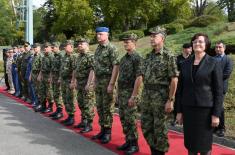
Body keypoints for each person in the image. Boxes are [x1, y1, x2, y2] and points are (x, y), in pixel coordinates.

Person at [176, 33, 223, 155]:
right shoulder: (185, 64)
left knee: (204, 146)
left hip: (205, 112)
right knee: (190, 145)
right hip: (188, 110)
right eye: (195, 41)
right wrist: (179, 111)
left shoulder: (213, 62)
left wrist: (216, 114)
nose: (197, 43)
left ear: (206, 45)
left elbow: (218, 91)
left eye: (200, 41)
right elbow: (180, 89)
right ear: (192, 45)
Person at [140, 26, 179, 155]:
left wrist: (171, 100)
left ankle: (159, 152)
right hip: (147, 95)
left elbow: (174, 79)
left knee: (160, 129)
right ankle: (154, 150)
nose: (151, 38)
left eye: (154, 36)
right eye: (150, 36)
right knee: (146, 126)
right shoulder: (148, 56)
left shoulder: (168, 56)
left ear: (162, 38)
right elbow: (143, 76)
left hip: (161, 96)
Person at [92, 27, 119, 144]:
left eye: (101, 34)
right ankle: (102, 129)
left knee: (108, 108)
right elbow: (95, 67)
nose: (98, 36)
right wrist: (94, 82)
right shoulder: (98, 49)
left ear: (107, 35)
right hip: (99, 82)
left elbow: (116, 66)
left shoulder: (112, 48)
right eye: (97, 34)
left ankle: (108, 132)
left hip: (108, 81)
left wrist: (111, 84)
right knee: (100, 107)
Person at [116, 33, 143, 155]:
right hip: (122, 92)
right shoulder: (124, 58)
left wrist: (134, 95)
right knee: (123, 118)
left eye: (128, 41)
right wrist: (117, 92)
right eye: (124, 42)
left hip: (131, 92)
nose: (125, 43)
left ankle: (134, 144)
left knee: (131, 119)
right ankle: (128, 140)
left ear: (134, 43)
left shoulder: (138, 57)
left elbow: (139, 77)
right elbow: (120, 76)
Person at [71, 38, 95, 133]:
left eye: (81, 44)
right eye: (78, 44)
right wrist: (75, 81)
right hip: (80, 83)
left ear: (87, 45)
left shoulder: (91, 56)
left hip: (86, 83)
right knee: (81, 103)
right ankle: (84, 121)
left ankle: (89, 124)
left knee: (88, 104)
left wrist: (89, 84)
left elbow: (93, 71)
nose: (79, 45)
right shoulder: (79, 57)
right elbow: (76, 70)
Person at [214, 40, 233, 137]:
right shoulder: (211, 59)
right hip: (211, 88)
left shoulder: (228, 60)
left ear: (224, 48)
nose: (217, 49)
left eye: (220, 47)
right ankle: (214, 127)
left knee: (219, 107)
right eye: (216, 47)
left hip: (221, 88)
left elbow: (226, 74)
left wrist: (213, 79)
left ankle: (221, 128)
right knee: (212, 106)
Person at [172, 43, 192, 126]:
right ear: (184, 49)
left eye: (191, 48)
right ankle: (175, 118)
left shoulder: (192, 58)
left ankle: (187, 119)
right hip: (179, 83)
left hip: (189, 83)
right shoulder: (177, 58)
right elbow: (174, 70)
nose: (190, 50)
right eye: (189, 48)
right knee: (177, 100)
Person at [59, 40, 77, 126]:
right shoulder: (64, 56)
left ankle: (72, 117)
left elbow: (74, 70)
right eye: (64, 46)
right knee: (65, 99)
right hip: (64, 80)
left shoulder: (74, 56)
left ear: (71, 46)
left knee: (70, 99)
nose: (65, 47)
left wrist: (73, 81)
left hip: (69, 80)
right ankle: (69, 116)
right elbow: (62, 68)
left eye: (66, 45)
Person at [36, 42, 54, 113]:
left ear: (50, 48)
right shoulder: (44, 56)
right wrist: (40, 75)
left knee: (49, 92)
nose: (45, 48)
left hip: (48, 76)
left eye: (46, 47)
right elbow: (42, 67)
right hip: (43, 76)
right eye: (44, 47)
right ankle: (43, 105)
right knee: (42, 91)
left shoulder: (52, 56)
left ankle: (50, 107)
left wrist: (50, 77)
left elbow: (52, 68)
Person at [49, 42, 64, 120]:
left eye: (53, 47)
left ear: (57, 47)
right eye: (51, 47)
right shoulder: (54, 56)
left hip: (58, 78)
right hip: (54, 77)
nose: (52, 49)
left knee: (59, 95)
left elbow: (62, 68)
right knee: (55, 94)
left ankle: (60, 112)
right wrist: (51, 77)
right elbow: (52, 68)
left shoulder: (61, 56)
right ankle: (57, 110)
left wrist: (60, 78)